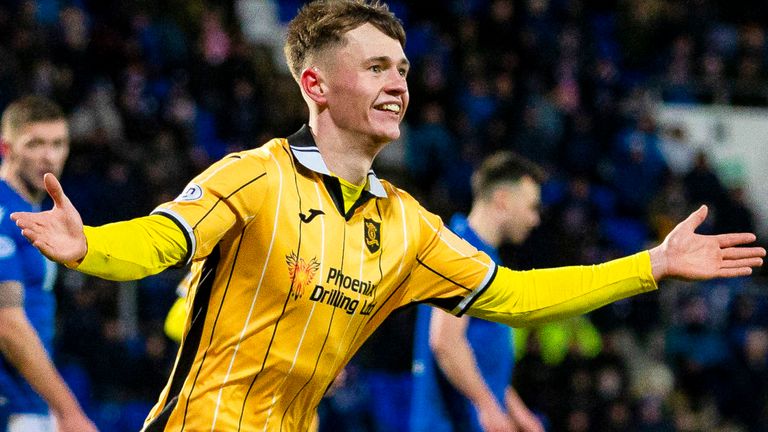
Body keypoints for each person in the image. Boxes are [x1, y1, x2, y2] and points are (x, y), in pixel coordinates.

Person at [9, 1, 765, 431]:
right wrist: (89, 245)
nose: (398, 82)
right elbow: (160, 239)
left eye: (402, 68)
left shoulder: (409, 226)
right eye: (375, 66)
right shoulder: (254, 176)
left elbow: (517, 297)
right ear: (315, 82)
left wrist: (652, 265)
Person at [412, 151, 545, 432]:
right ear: (503, 200)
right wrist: (487, 406)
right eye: (532, 207)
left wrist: (520, 416)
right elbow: (445, 342)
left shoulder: (484, 258)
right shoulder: (461, 251)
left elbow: (481, 360)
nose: (535, 220)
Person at [0, 96, 97, 432]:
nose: (49, 156)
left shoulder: (40, 216)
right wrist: (69, 410)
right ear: (6, 148)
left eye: (58, 144)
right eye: (35, 143)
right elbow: (7, 323)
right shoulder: (2, 213)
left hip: (31, 402)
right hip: (9, 406)